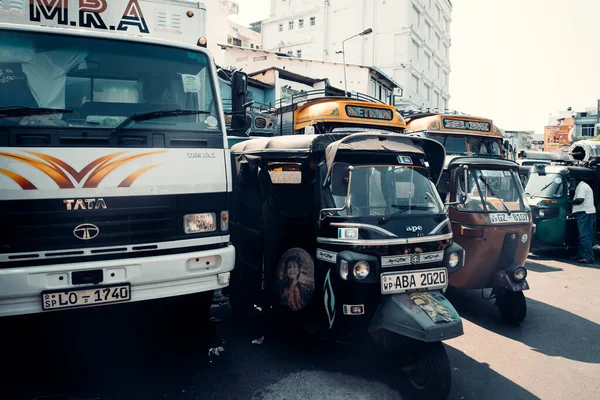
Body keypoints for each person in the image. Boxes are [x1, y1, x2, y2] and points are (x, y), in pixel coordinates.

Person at [572, 179, 596, 263]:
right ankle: (582, 255)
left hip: (585, 213)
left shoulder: (581, 187)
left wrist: (570, 202)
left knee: (585, 236)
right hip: (585, 213)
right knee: (582, 236)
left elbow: (580, 199)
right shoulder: (583, 186)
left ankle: (589, 257)